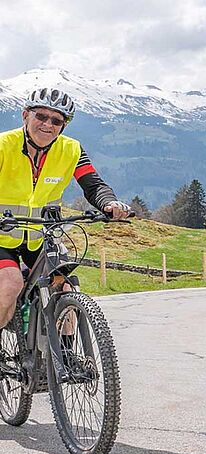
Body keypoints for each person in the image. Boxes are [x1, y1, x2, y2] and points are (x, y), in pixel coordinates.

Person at [0, 88, 130, 333]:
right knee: (9, 284)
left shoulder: (71, 150)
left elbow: (93, 184)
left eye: (56, 120)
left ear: (63, 126)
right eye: (41, 116)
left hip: (41, 236)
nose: (47, 124)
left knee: (65, 289)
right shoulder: (3, 145)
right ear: (25, 115)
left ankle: (68, 363)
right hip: (1, 236)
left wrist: (109, 204)